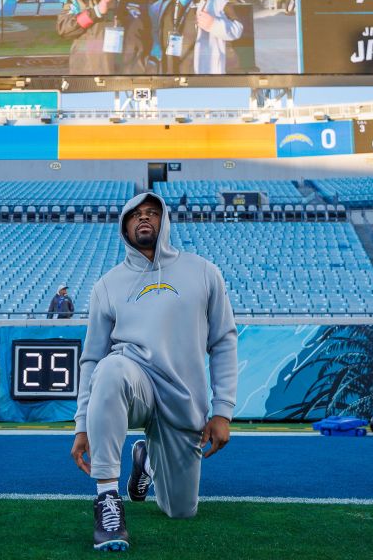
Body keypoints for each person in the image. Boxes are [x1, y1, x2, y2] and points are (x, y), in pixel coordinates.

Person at [70, 192, 237, 551]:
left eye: (152, 213)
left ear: (165, 222)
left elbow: (223, 340)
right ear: (125, 226)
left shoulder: (204, 272)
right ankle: (108, 500)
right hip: (135, 382)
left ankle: (145, 462)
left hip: (182, 399)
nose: (144, 219)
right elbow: (91, 358)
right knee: (111, 367)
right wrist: (82, 423)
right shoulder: (107, 285)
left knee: (181, 510)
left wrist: (223, 411)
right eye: (136, 215)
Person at [56, 0, 153, 75]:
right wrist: (96, 11)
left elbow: (150, 31)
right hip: (92, 71)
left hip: (131, 71)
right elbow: (64, 28)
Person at [151, 0, 243, 76]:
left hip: (204, 75)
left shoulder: (215, 0)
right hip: (171, 75)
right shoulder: (163, 5)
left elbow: (237, 29)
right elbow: (151, 27)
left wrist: (214, 24)